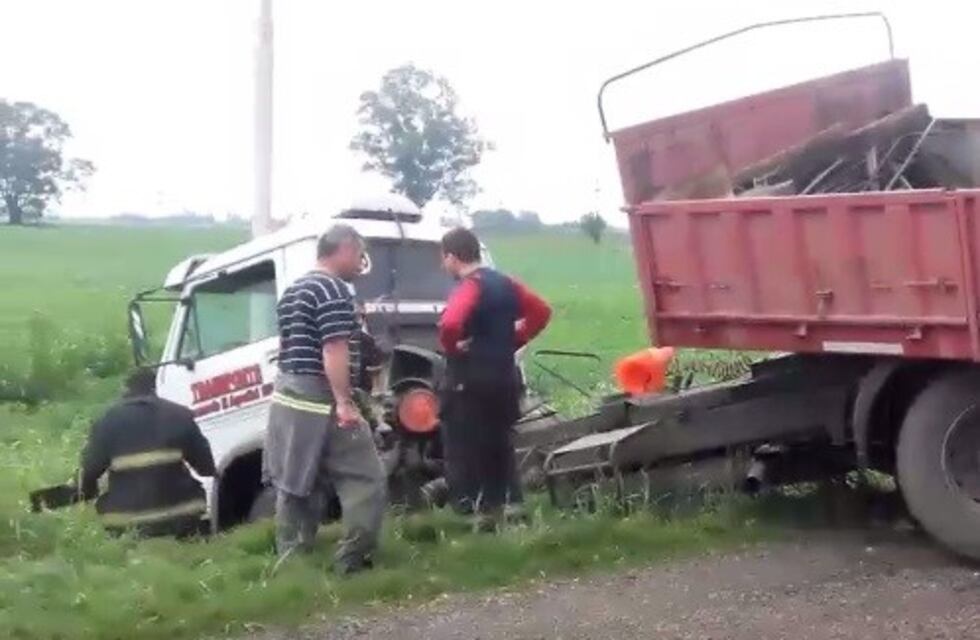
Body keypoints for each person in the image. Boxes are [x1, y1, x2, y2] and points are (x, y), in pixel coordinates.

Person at [263, 223, 387, 575]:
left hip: (289, 400)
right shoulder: (332, 290)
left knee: (298, 484)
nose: (361, 264)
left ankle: (291, 561)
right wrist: (344, 403)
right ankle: (352, 559)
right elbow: (333, 349)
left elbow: (289, 347)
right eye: (359, 255)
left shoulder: (294, 290)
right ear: (344, 249)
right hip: (321, 400)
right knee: (367, 479)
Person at [437, 227, 552, 528]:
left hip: (469, 381)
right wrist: (514, 338)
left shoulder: (471, 286)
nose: (443, 265)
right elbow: (541, 311)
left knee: (464, 446)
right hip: (504, 378)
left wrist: (453, 347)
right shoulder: (507, 283)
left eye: (443, 258)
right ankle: (512, 506)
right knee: (499, 443)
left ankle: (478, 513)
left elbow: (450, 324)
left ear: (452, 257)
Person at [78, 367, 215, 538]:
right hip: (181, 515)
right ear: (155, 387)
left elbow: (89, 471)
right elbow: (207, 468)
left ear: (125, 389)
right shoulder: (179, 415)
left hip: (127, 522)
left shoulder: (106, 422)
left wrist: (86, 493)